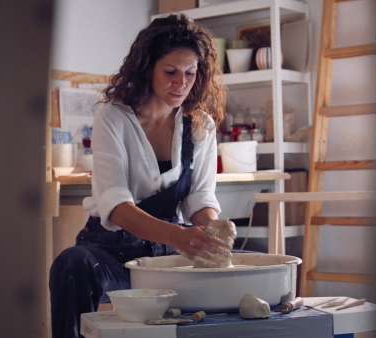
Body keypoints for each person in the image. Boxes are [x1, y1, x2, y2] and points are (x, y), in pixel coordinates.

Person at [49, 13, 230, 338]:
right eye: (170, 72)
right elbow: (116, 205)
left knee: (249, 266)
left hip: (167, 256)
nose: (181, 83)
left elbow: (199, 199)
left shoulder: (200, 124)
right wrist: (180, 237)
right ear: (148, 69)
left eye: (190, 73)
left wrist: (213, 233)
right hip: (110, 252)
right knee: (71, 264)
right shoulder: (113, 118)